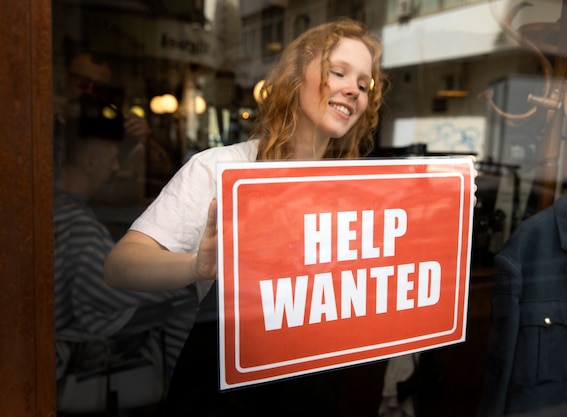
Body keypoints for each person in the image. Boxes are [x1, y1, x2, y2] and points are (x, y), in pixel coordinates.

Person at [103, 18, 386, 416]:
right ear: (294, 77)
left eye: (364, 83)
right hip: (230, 393)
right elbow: (120, 266)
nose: (353, 90)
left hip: (319, 388)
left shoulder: (357, 188)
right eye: (337, 72)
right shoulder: (219, 169)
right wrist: (197, 266)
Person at [53, 105, 197, 391]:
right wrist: (186, 283)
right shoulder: (78, 226)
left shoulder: (55, 207)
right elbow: (116, 289)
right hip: (77, 360)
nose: (117, 168)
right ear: (92, 162)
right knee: (187, 309)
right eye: (112, 160)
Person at [53, 51, 173, 205]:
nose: (89, 92)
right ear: (65, 79)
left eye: (97, 88)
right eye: (82, 83)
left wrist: (145, 137)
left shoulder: (111, 125)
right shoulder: (45, 119)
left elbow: (162, 169)